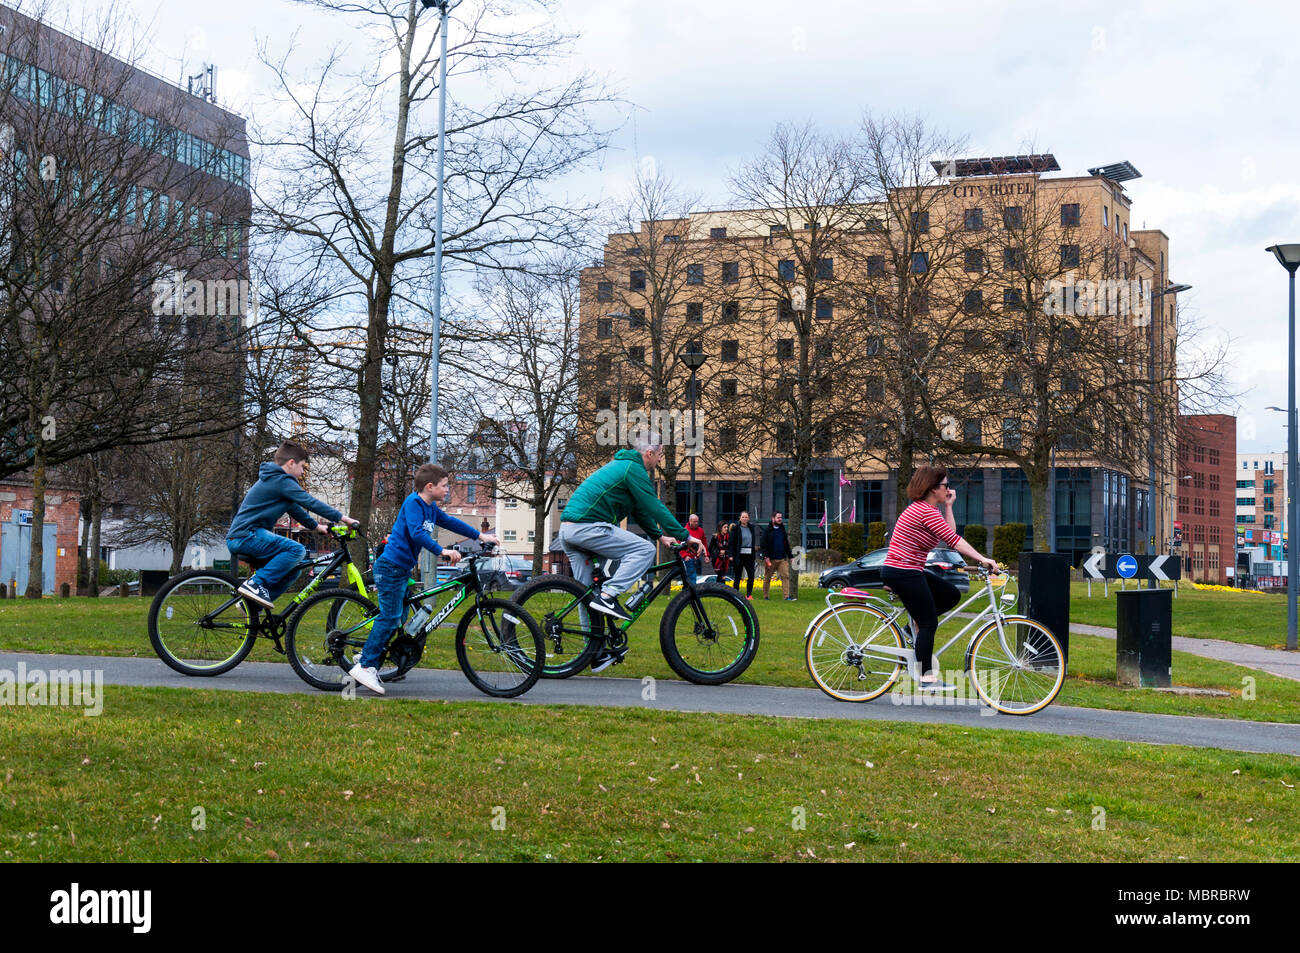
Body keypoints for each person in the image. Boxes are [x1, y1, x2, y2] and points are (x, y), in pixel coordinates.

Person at [557, 435, 705, 672]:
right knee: (643, 550)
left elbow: (641, 508)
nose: (659, 461)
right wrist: (685, 535)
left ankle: (592, 653)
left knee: (587, 594)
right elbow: (655, 505)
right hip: (587, 528)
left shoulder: (624, 467)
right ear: (649, 453)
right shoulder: (632, 469)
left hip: (569, 531)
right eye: (659, 456)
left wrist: (660, 536)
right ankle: (610, 596)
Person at [349, 463, 498, 695]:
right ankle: (366, 665)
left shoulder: (430, 507)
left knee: (400, 617)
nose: (448, 489)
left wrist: (480, 534)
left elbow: (450, 522)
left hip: (402, 570)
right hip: (390, 568)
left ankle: (373, 650)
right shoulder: (413, 504)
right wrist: (442, 551)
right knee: (389, 616)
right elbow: (417, 532)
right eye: (444, 485)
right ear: (430, 487)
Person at [880, 464, 997, 691]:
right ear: (933, 488)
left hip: (909, 570)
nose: (948, 489)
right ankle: (925, 678)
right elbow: (955, 541)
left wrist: (949, 506)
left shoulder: (929, 510)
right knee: (928, 623)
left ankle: (909, 629)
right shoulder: (923, 511)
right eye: (945, 486)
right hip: (903, 572)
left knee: (951, 594)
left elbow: (948, 535)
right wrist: (983, 559)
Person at [226, 441, 359, 608]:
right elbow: (310, 502)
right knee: (296, 550)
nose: (302, 472)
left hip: (248, 537)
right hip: (246, 536)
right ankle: (255, 584)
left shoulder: (276, 482)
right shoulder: (281, 480)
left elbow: (296, 510)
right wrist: (344, 518)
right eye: (302, 467)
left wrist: (317, 528)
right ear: (291, 463)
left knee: (293, 571)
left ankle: (252, 606)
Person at [761, 511, 793, 601]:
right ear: (773, 518)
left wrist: (790, 556)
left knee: (785, 576)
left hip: (782, 559)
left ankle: (786, 597)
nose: (780, 519)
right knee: (767, 578)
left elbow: (786, 544)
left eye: (781, 518)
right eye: (778, 518)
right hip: (770, 559)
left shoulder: (782, 530)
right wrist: (766, 557)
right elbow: (763, 545)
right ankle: (766, 596)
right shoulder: (767, 530)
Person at [727, 511, 757, 599]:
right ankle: (735, 594)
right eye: (743, 517)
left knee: (751, 575)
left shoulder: (751, 528)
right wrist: (731, 555)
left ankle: (749, 594)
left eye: (746, 517)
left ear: (748, 518)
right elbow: (731, 543)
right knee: (738, 576)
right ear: (740, 518)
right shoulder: (736, 528)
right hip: (739, 555)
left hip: (749, 555)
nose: (744, 519)